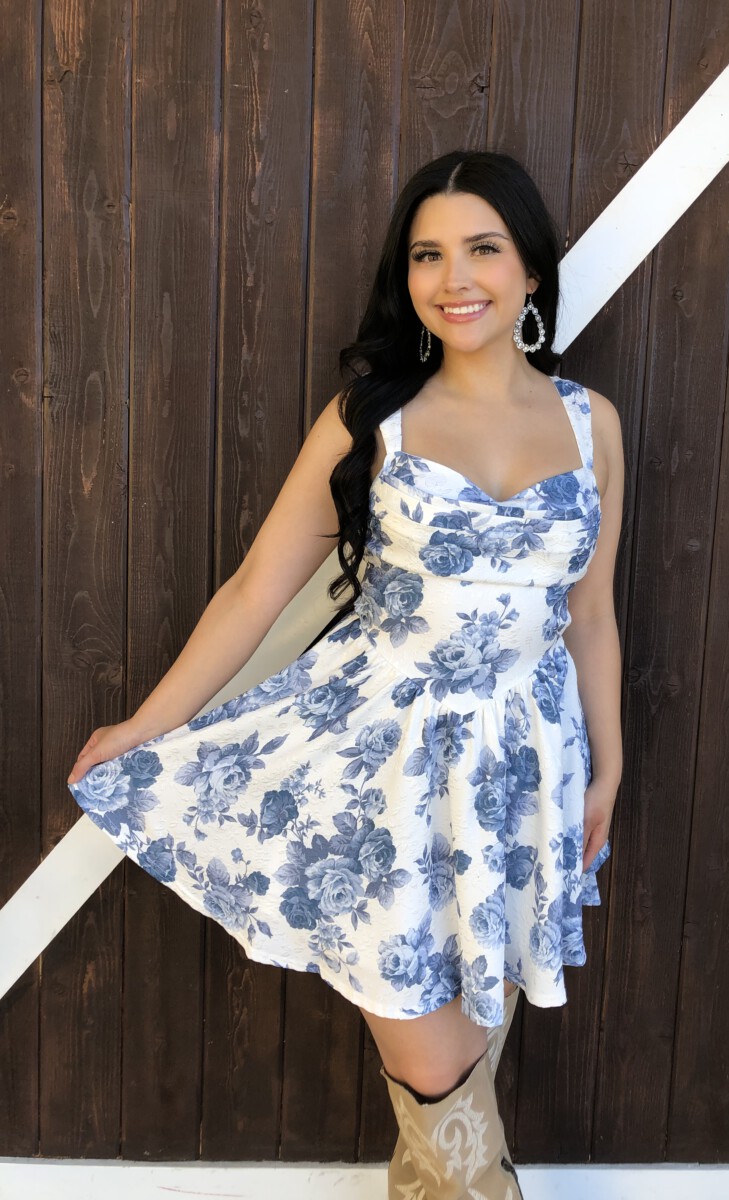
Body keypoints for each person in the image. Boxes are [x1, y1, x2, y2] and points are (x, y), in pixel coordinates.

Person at [67, 147, 624, 1198]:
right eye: (427, 254)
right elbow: (255, 588)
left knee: (470, 1038)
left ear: (530, 268)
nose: (454, 278)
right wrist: (145, 724)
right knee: (439, 1064)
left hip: (524, 763)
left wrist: (608, 768)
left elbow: (589, 613)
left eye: (482, 249)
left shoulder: (592, 424)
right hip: (384, 764)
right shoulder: (373, 418)